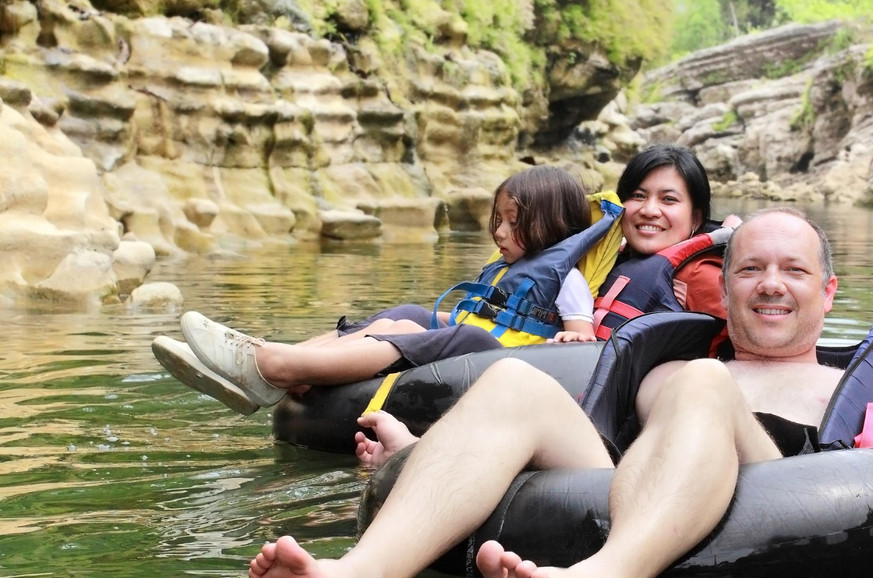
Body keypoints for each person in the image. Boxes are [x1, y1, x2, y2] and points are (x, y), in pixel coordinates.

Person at [247, 207, 873, 578]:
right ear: (726, 285)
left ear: (827, 293)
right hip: (641, 477)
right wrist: (411, 453)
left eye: (794, 270)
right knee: (514, 381)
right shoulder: (677, 361)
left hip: (802, 496)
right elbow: (585, 451)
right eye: (750, 268)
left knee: (702, 389)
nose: (771, 284)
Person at [153, 144, 715, 413]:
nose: (648, 209)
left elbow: (690, 352)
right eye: (638, 195)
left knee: (456, 335)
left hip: (559, 376)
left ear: (696, 215)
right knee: (411, 314)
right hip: (523, 348)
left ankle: (272, 366)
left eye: (669, 200)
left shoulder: (694, 275)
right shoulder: (599, 254)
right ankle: (272, 362)